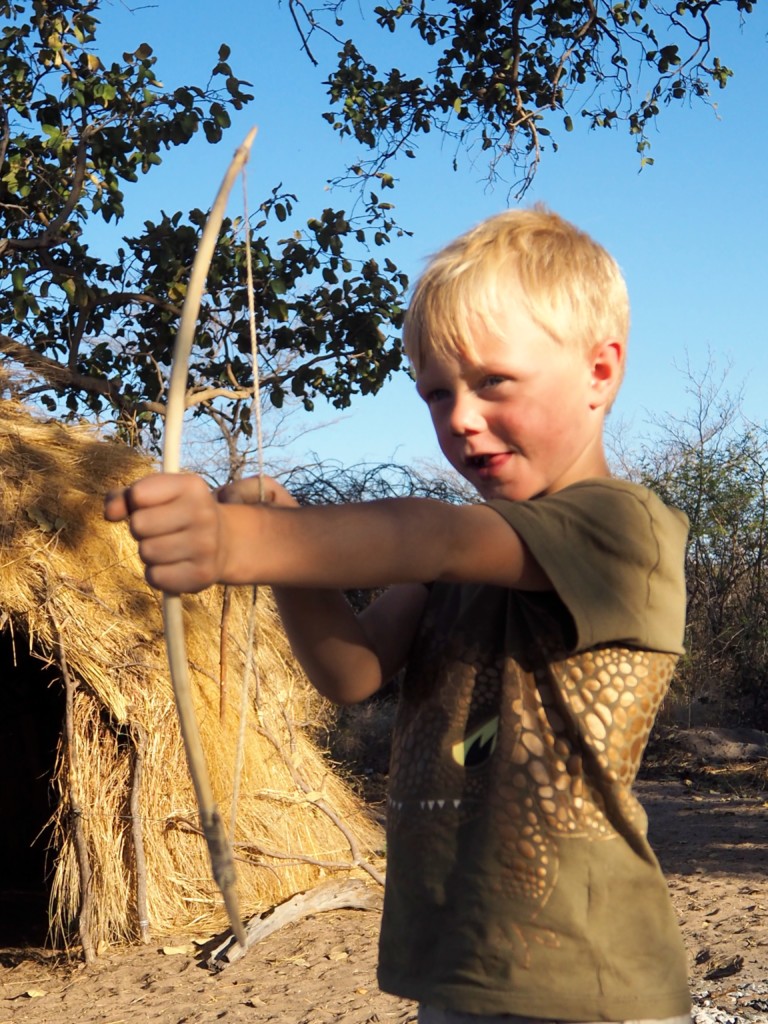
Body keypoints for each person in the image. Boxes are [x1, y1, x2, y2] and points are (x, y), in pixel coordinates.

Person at [105, 207, 692, 1024]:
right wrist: (284, 553)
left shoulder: (624, 530)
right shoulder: (453, 572)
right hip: (455, 967)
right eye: (436, 393)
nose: (459, 418)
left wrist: (240, 541)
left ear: (600, 372)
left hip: (590, 982)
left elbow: (436, 534)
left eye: (494, 382)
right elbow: (352, 672)